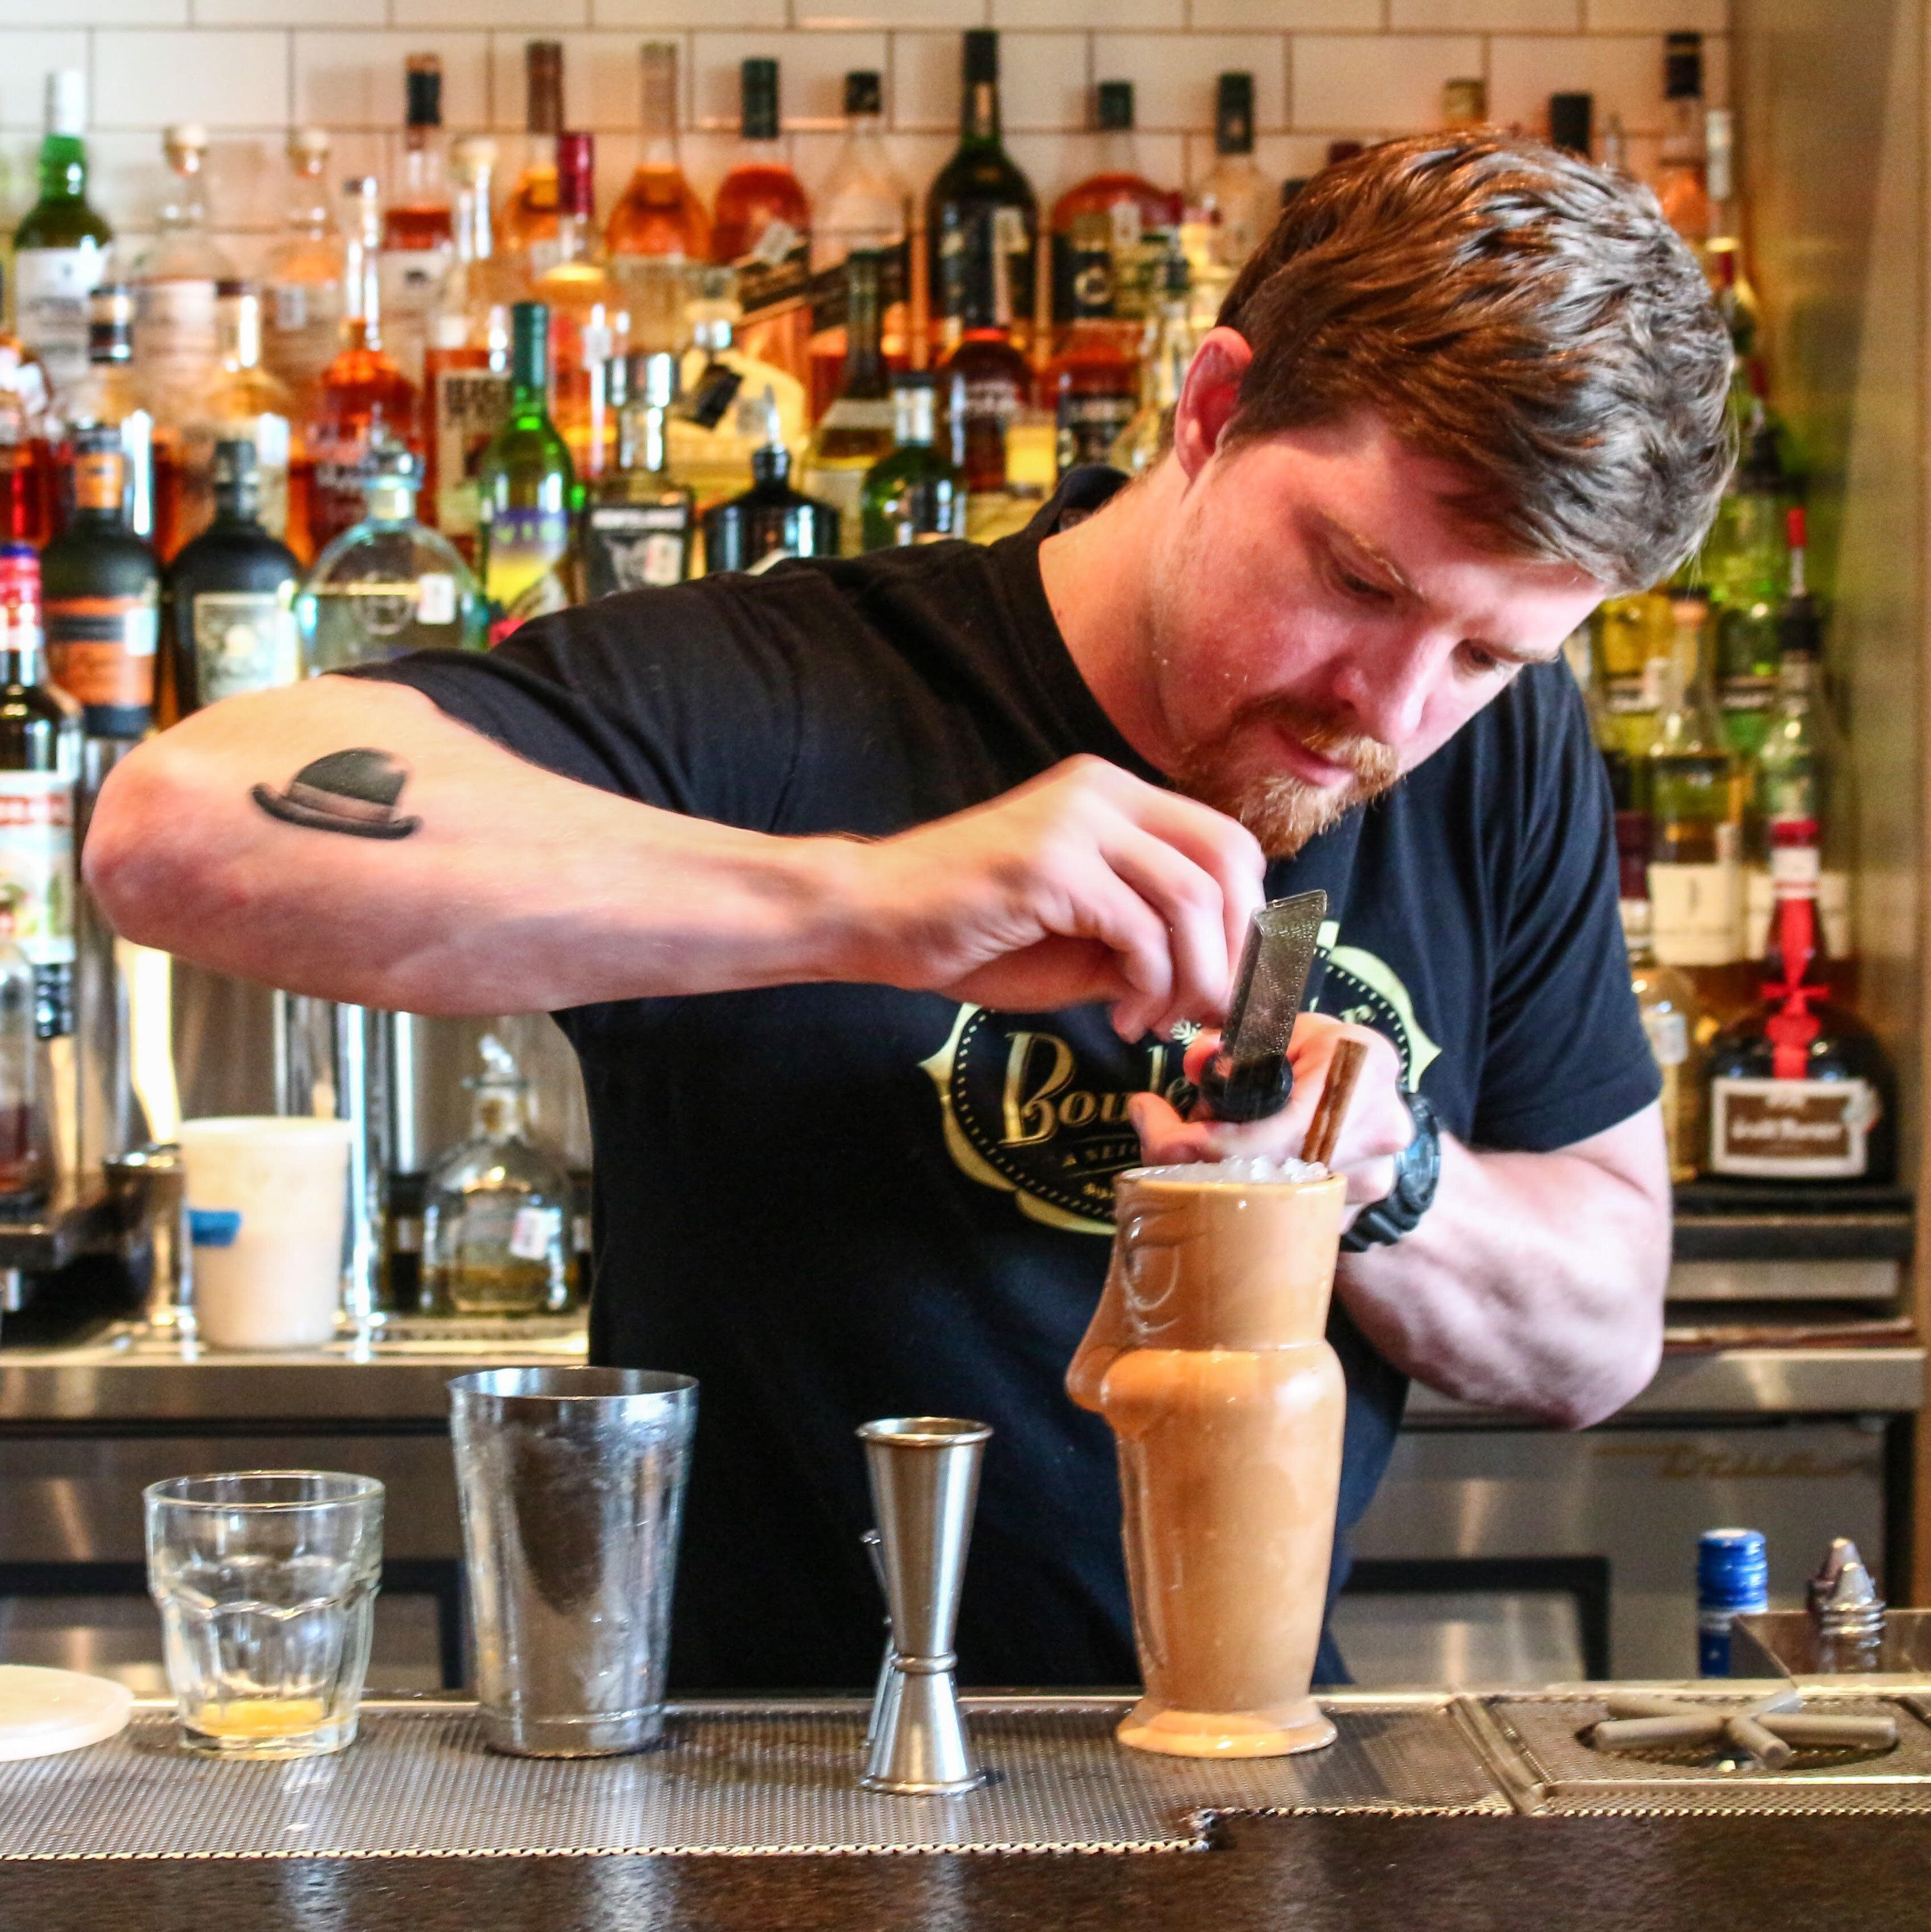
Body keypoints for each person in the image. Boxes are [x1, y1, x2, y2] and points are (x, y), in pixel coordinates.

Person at [86, 134, 1733, 1690]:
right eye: (1359, 583)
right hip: (759, 1806)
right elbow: (177, 828)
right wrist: (865, 898)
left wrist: (1387, 1177)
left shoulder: (1500, 760)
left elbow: (1599, 1335)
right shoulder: (790, 694)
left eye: (1488, 651)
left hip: (1234, 1781)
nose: (1389, 704)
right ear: (1214, 409)